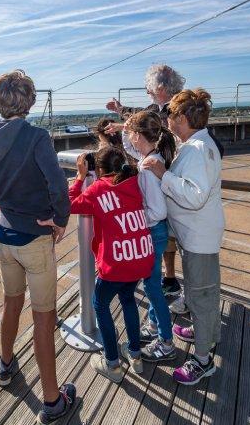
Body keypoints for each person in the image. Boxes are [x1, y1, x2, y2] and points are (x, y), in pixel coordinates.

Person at [0, 70, 76, 423]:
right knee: (43, 317)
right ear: (30, 100)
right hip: (34, 240)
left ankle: (5, 366)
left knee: (11, 304)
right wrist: (61, 220)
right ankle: (52, 401)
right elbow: (58, 187)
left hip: (5, 238)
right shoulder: (36, 137)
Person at [143, 88, 225, 386]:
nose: (167, 121)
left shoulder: (197, 149)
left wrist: (163, 174)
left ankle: (203, 361)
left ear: (184, 118)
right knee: (203, 293)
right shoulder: (199, 144)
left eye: (172, 115)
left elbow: (195, 196)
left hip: (198, 238)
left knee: (201, 297)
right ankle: (207, 334)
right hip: (198, 236)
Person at [68, 147, 154, 382]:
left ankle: (112, 364)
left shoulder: (98, 189)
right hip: (140, 257)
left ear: (99, 169)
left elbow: (70, 204)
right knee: (128, 300)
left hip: (115, 263)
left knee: (101, 304)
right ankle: (135, 355)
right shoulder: (135, 182)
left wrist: (79, 177)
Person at [105, 65, 187, 301]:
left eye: (149, 85)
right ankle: (170, 279)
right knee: (168, 237)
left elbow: (153, 123)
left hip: (169, 177)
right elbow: (140, 116)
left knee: (175, 238)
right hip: (163, 177)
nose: (146, 89)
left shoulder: (177, 109)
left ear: (160, 88)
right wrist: (121, 111)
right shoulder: (157, 108)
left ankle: (175, 286)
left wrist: (123, 126)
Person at [123, 111, 179, 361]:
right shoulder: (151, 157)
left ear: (138, 135)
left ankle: (166, 341)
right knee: (153, 283)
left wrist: (136, 221)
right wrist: (126, 129)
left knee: (153, 287)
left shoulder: (147, 168)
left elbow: (157, 210)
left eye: (131, 135)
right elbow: (132, 150)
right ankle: (156, 326)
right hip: (156, 231)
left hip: (152, 231)